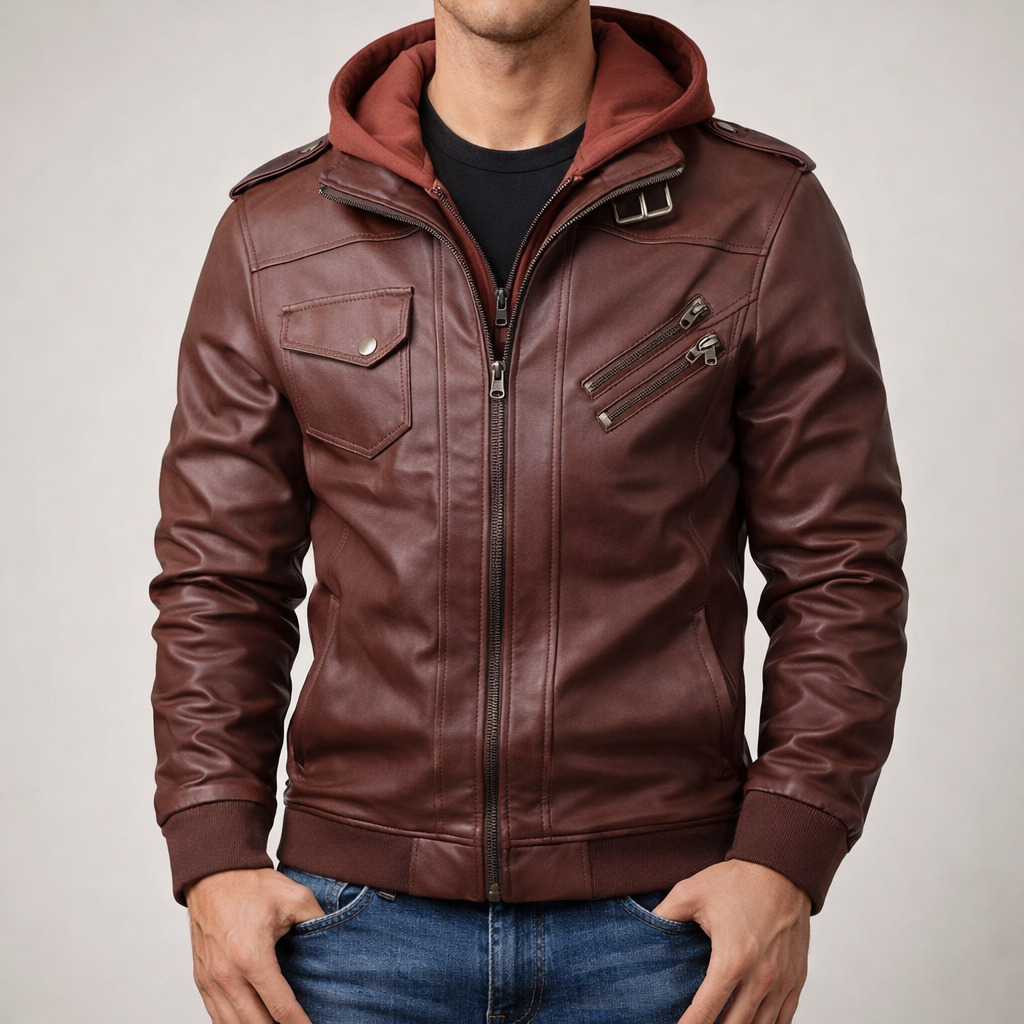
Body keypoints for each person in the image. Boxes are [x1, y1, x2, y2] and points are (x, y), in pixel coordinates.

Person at [148, 3, 909, 1022]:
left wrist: (786, 851)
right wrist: (213, 854)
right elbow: (219, 579)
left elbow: (841, 569)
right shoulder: (276, 232)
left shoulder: (759, 215)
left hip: (663, 929)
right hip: (349, 931)